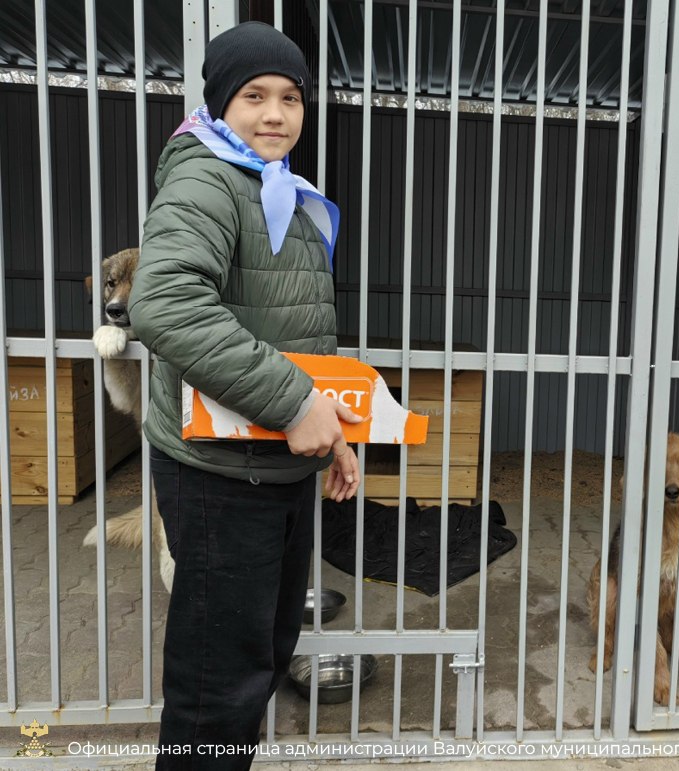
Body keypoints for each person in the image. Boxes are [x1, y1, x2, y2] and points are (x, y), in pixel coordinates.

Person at [129, 21, 361, 768]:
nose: (275, 113)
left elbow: (287, 331)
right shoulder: (208, 177)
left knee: (255, 662)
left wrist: (332, 430)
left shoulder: (275, 184)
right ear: (220, 102)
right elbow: (163, 303)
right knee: (217, 689)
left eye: (290, 97)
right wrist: (296, 404)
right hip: (220, 475)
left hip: (268, 465)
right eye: (253, 95)